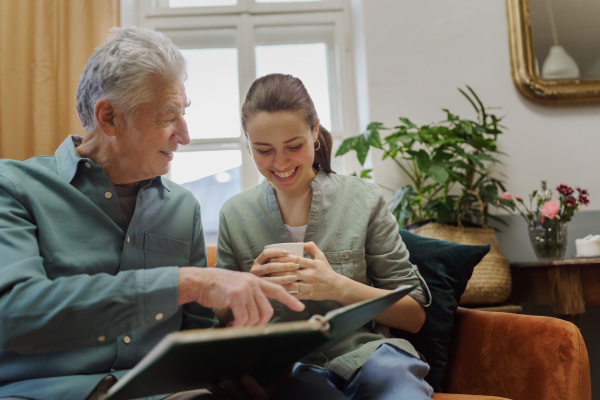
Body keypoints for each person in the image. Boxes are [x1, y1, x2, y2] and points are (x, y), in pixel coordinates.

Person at [0, 27, 305, 400]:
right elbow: (14, 314)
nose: (185, 134)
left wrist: (242, 366)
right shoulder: (13, 188)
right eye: (168, 116)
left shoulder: (182, 207)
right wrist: (187, 283)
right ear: (108, 117)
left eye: (184, 113)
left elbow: (198, 332)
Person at [216, 73, 434, 399]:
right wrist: (248, 288)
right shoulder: (235, 215)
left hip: (373, 358)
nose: (280, 163)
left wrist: (338, 287)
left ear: (315, 130)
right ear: (247, 143)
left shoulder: (363, 200)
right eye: (263, 150)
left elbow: (413, 316)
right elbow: (220, 322)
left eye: (294, 146)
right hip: (285, 370)